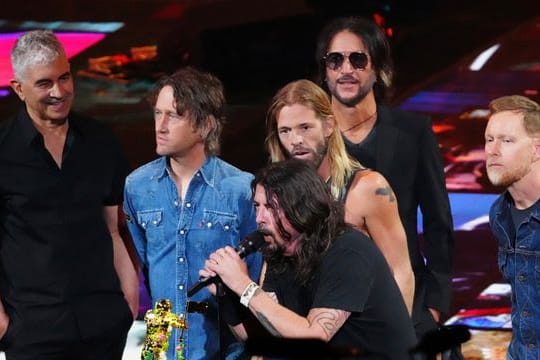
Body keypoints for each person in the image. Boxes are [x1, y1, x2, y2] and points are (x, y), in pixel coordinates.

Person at [0, 30, 138, 359]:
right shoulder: (2, 151)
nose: (59, 92)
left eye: (64, 77)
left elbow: (113, 227)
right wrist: (3, 322)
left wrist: (128, 300)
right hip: (33, 330)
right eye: (45, 83)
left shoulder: (101, 141)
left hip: (104, 323)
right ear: (19, 89)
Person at [316, 16, 454, 337]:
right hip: (331, 302)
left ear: (377, 69)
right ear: (325, 71)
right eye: (335, 60)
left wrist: (434, 302)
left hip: (406, 297)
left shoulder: (413, 132)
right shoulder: (311, 139)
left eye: (358, 59)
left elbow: (438, 221)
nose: (346, 69)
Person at [200, 159, 416, 359]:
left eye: (270, 208)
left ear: (301, 208)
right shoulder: (281, 251)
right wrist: (226, 296)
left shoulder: (349, 251)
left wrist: (244, 286)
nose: (259, 219)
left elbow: (314, 337)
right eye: (257, 206)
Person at [123, 66, 262, 360]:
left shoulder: (241, 188)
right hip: (161, 339)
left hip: (222, 340)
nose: (160, 126)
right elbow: (147, 261)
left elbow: (255, 274)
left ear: (206, 125)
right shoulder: (137, 186)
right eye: (157, 114)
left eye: (173, 116)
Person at [266, 78, 414, 313]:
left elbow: (400, 271)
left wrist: (397, 343)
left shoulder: (368, 188)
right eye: (285, 131)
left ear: (329, 125)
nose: (295, 141)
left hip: (362, 334)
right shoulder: (274, 199)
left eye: (305, 127)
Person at [485, 95, 540, 359]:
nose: (493, 150)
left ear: (537, 149)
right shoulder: (500, 213)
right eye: (489, 140)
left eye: (507, 141)